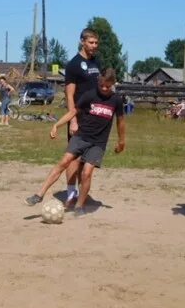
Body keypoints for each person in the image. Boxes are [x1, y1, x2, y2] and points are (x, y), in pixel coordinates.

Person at [24, 69, 126, 216]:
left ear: (113, 84)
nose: (104, 89)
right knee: (64, 162)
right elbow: (73, 112)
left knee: (87, 172)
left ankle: (79, 205)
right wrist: (56, 125)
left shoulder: (116, 100)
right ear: (99, 81)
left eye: (108, 86)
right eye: (102, 85)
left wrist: (122, 141)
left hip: (98, 143)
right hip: (81, 137)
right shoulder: (90, 95)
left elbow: (121, 122)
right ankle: (39, 194)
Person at [63, 28, 101, 208]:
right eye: (91, 42)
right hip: (79, 116)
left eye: (96, 43)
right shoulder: (73, 65)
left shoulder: (96, 63)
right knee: (74, 157)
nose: (94, 46)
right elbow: (70, 95)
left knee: (88, 160)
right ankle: (71, 194)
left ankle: (81, 194)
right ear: (82, 42)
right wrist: (73, 119)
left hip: (95, 118)